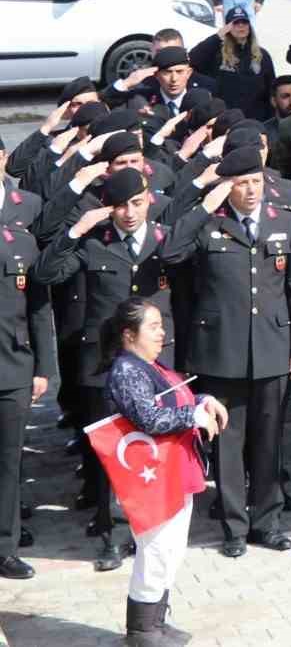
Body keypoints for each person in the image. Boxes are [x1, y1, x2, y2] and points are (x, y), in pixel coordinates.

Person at [159, 147, 291, 557]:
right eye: (241, 183)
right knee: (227, 443)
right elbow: (170, 251)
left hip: (273, 349)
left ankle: (268, 522)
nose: (251, 190)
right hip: (220, 351)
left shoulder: (285, 220)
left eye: (256, 182)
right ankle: (234, 527)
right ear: (227, 186)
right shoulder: (210, 224)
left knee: (269, 441)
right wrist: (204, 206)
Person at [33, 168, 175, 572]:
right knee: (113, 454)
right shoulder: (95, 243)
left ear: (148, 199)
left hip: (156, 363)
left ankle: (154, 530)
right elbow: (45, 273)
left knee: (156, 448)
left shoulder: (165, 240)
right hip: (105, 366)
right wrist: (76, 230)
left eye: (135, 203)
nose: (128, 213)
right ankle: (113, 533)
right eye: (119, 206)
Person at [99, 300, 227, 644]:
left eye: (160, 325)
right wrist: (194, 417)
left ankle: (157, 620)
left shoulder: (149, 365)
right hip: (150, 479)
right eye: (153, 326)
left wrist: (202, 400)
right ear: (129, 334)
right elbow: (148, 418)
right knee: (155, 552)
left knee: (171, 550)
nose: (162, 333)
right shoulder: (127, 370)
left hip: (175, 471)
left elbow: (172, 399)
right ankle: (141, 629)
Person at [0, 186, 50, 583]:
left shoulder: (22, 240)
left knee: (8, 462)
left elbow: (38, 308)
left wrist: (44, 368)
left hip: (13, 366)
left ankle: (5, 547)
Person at [189, 7, 276, 121]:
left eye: (244, 22)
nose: (241, 26)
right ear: (227, 27)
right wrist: (218, 36)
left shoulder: (262, 55)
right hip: (224, 119)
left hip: (255, 120)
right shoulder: (217, 54)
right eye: (236, 23)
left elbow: (272, 90)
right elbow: (193, 59)